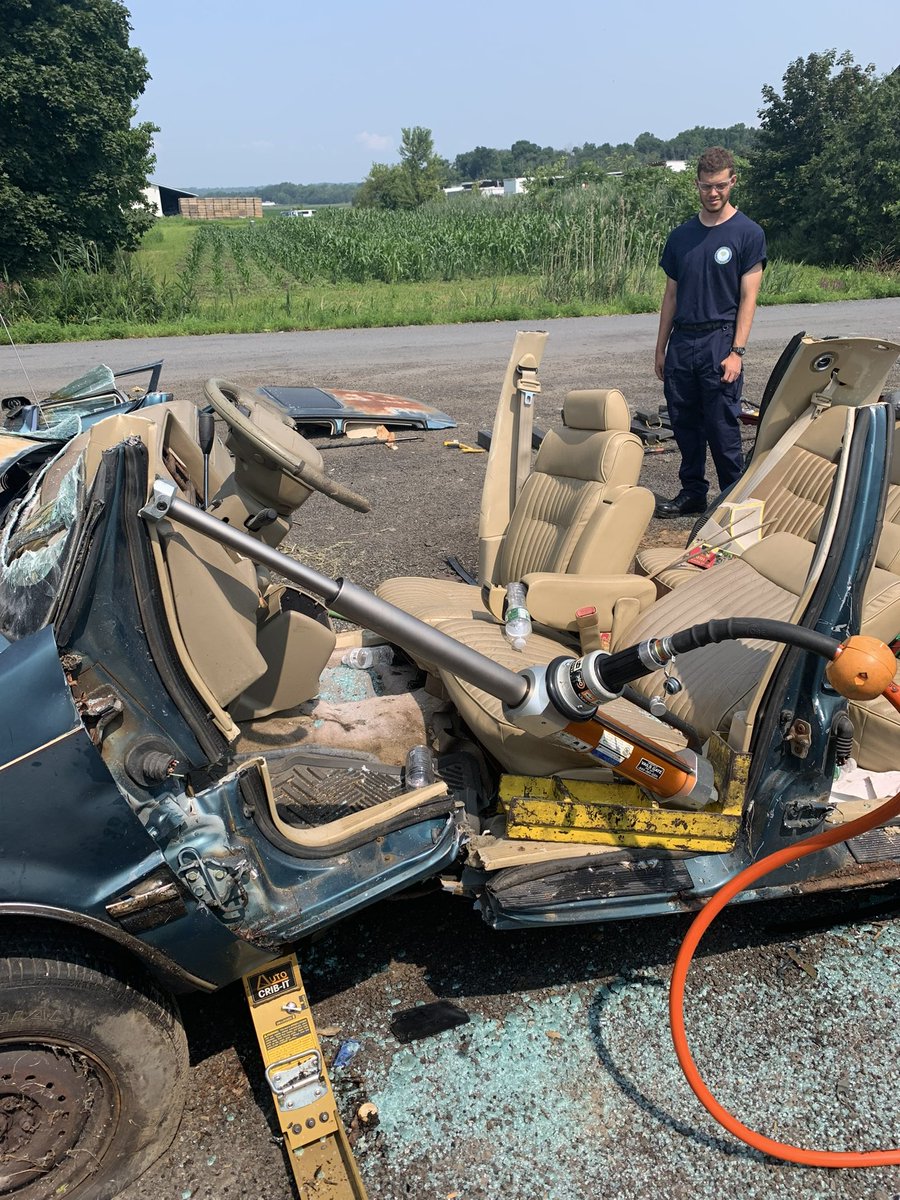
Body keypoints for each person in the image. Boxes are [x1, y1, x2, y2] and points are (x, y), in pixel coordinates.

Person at [653, 147, 767, 517]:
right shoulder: (681, 236)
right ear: (697, 184)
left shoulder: (748, 233)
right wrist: (661, 348)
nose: (713, 193)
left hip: (720, 339)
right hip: (683, 341)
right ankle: (693, 493)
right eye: (706, 186)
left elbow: (749, 298)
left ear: (732, 181)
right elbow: (671, 295)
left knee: (722, 427)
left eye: (720, 186)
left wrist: (737, 352)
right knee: (684, 423)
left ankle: (734, 500)